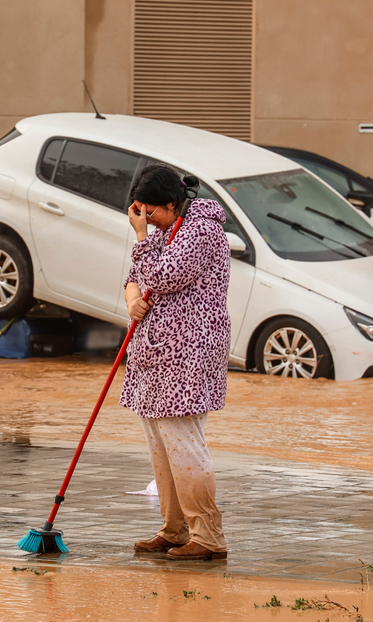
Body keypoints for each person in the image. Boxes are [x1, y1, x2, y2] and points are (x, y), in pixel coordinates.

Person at [122, 164, 231, 561]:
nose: (145, 219)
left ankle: (208, 535)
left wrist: (140, 235)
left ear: (172, 203)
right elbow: (135, 274)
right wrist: (132, 298)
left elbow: (165, 275)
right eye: (138, 212)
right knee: (161, 444)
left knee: (184, 443)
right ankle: (173, 528)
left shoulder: (202, 231)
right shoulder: (169, 231)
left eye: (149, 211)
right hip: (155, 352)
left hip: (189, 352)